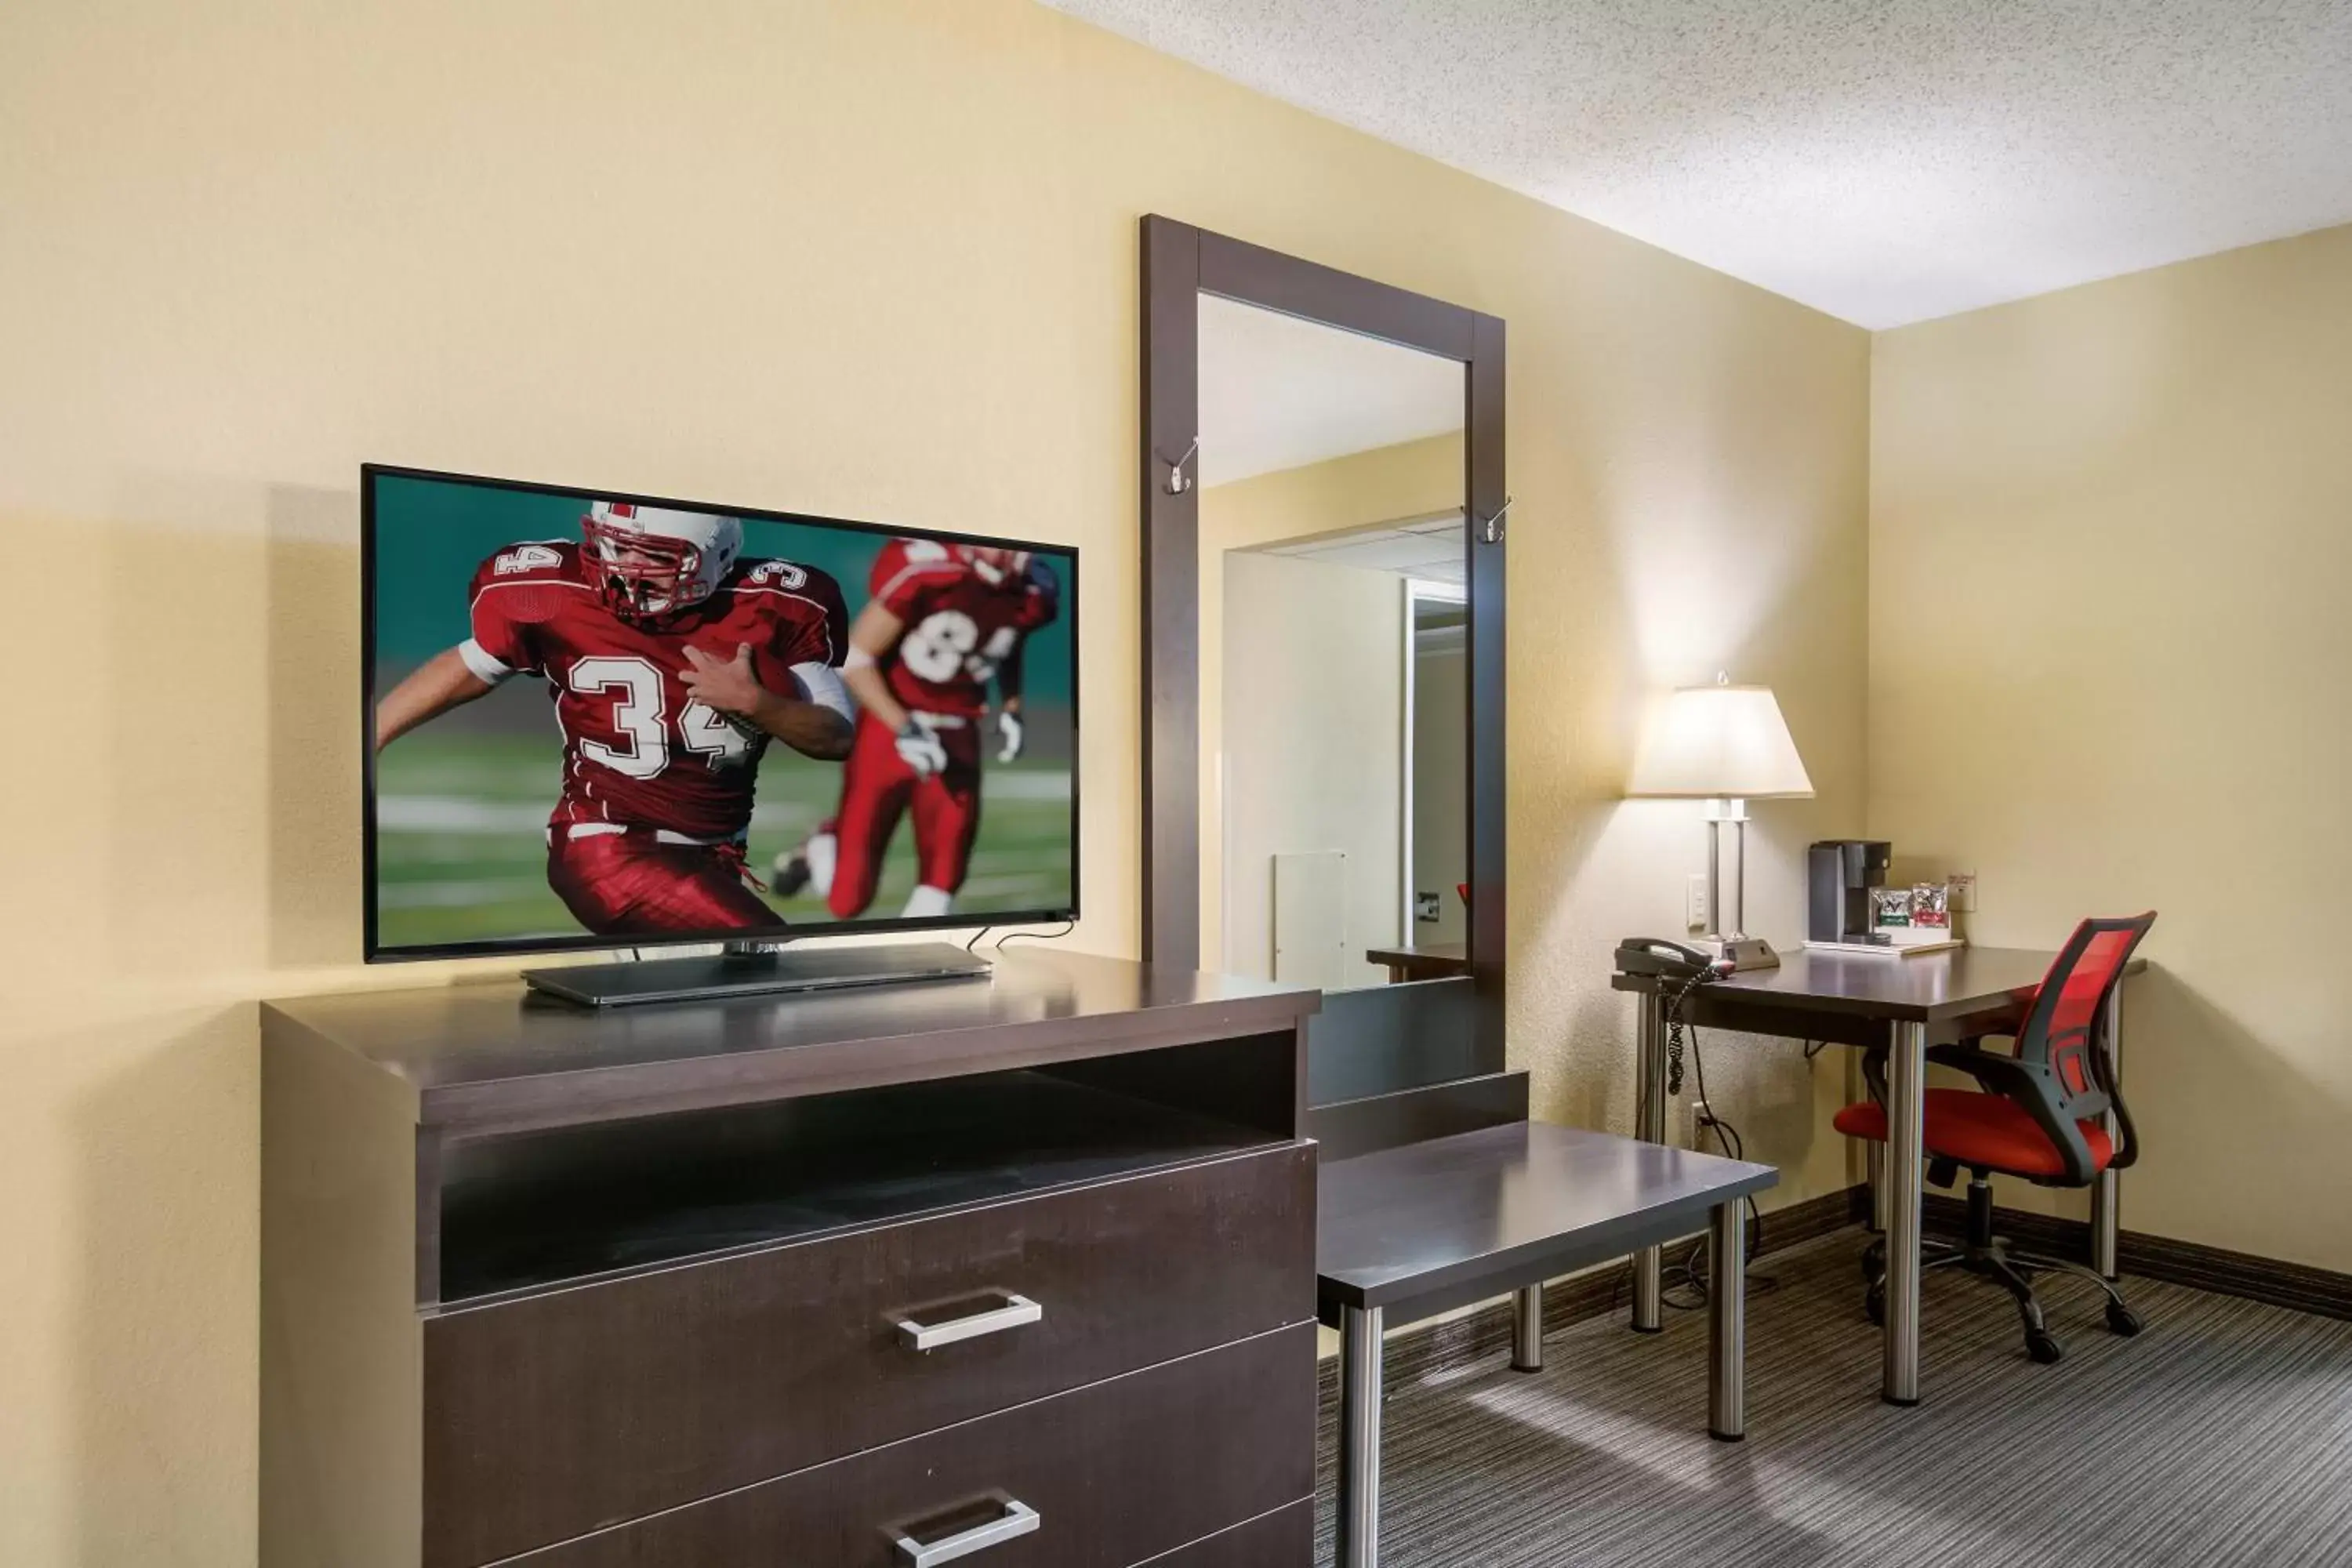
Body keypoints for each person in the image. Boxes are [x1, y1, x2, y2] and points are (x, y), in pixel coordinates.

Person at [376, 500, 851, 935]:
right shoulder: (554, 592)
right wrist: (366, 739)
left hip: (713, 855)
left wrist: (757, 704)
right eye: (618, 547)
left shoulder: (778, 607)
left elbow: (836, 738)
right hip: (608, 848)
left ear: (717, 557)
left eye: (658, 557)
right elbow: (475, 665)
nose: (628, 570)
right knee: (767, 950)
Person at [774, 537, 1058, 920]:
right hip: (889, 728)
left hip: (959, 730)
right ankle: (826, 841)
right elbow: (855, 657)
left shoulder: (1035, 589)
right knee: (847, 902)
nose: (1009, 553)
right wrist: (904, 727)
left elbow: (1008, 640)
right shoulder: (927, 571)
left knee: (940, 891)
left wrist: (1012, 705)